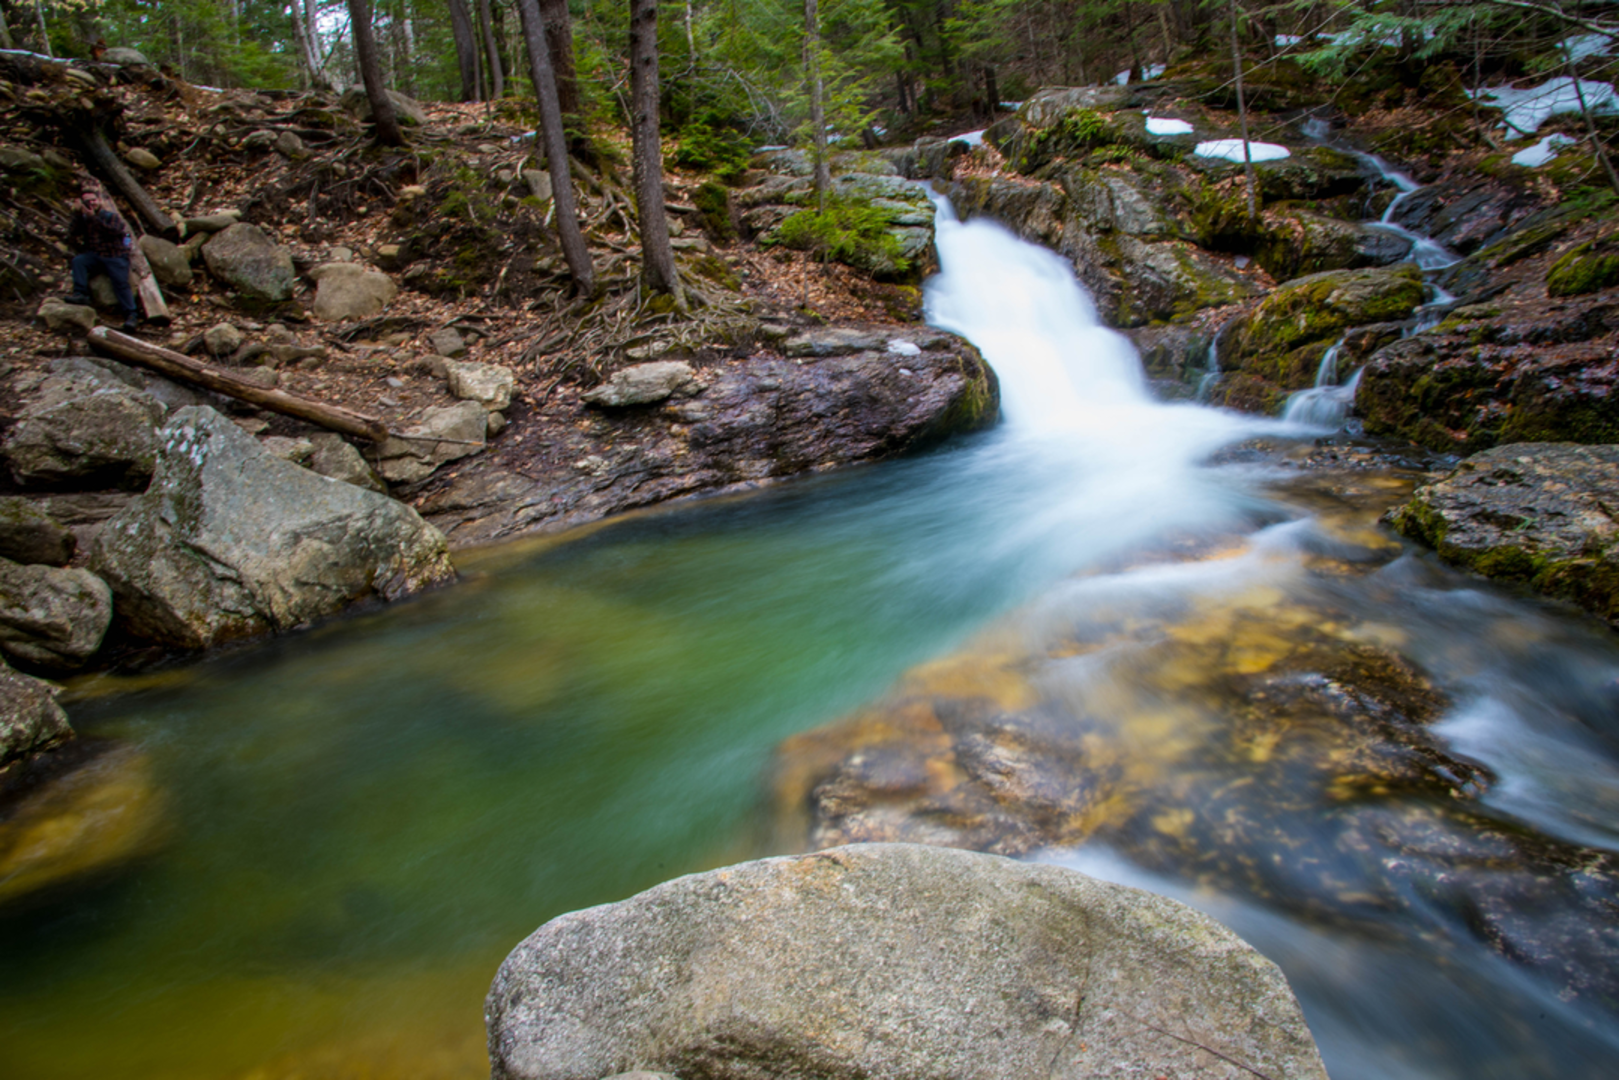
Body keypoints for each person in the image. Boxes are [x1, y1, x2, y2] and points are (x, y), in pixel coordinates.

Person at [64, 184, 140, 331]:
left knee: (121, 283)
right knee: (78, 261)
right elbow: (73, 233)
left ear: (99, 200)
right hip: (96, 255)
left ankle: (131, 315)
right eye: (87, 201)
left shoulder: (111, 216)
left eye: (93, 200)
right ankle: (80, 294)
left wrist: (94, 219)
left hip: (115, 256)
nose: (91, 204)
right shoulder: (84, 219)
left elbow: (114, 232)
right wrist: (78, 214)